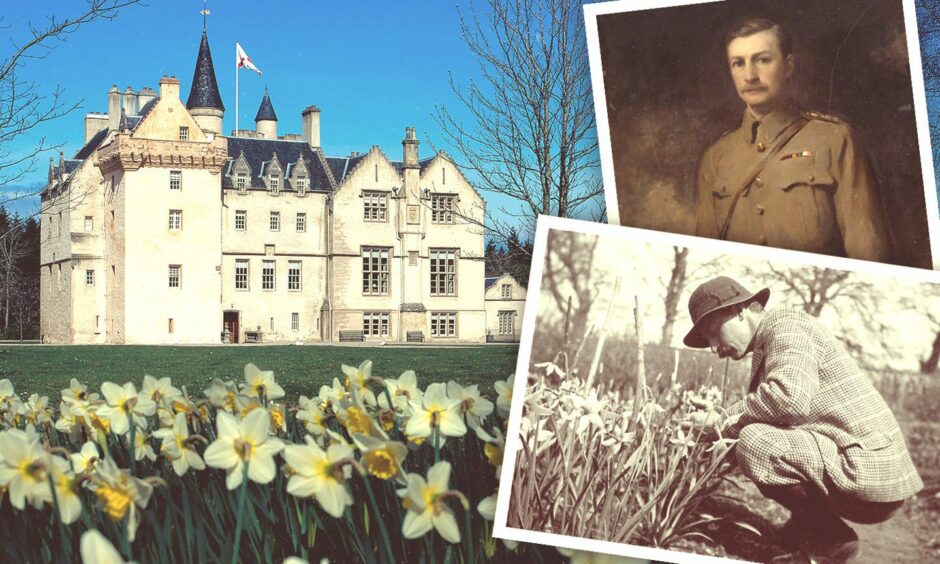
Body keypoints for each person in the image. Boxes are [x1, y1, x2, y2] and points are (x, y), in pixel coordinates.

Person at [682, 276, 922, 564]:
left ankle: (832, 540)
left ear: (739, 311)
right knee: (757, 436)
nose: (713, 348)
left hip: (870, 474)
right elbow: (782, 410)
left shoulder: (786, 326)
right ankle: (805, 529)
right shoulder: (776, 335)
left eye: (712, 332)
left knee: (755, 442)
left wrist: (720, 421)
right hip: (867, 469)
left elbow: (788, 400)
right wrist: (720, 425)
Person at [694, 17, 891, 262]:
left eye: (762, 60)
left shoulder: (833, 139)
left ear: (788, 66)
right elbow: (708, 258)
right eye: (738, 64)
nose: (750, 75)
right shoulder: (716, 157)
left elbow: (868, 251)